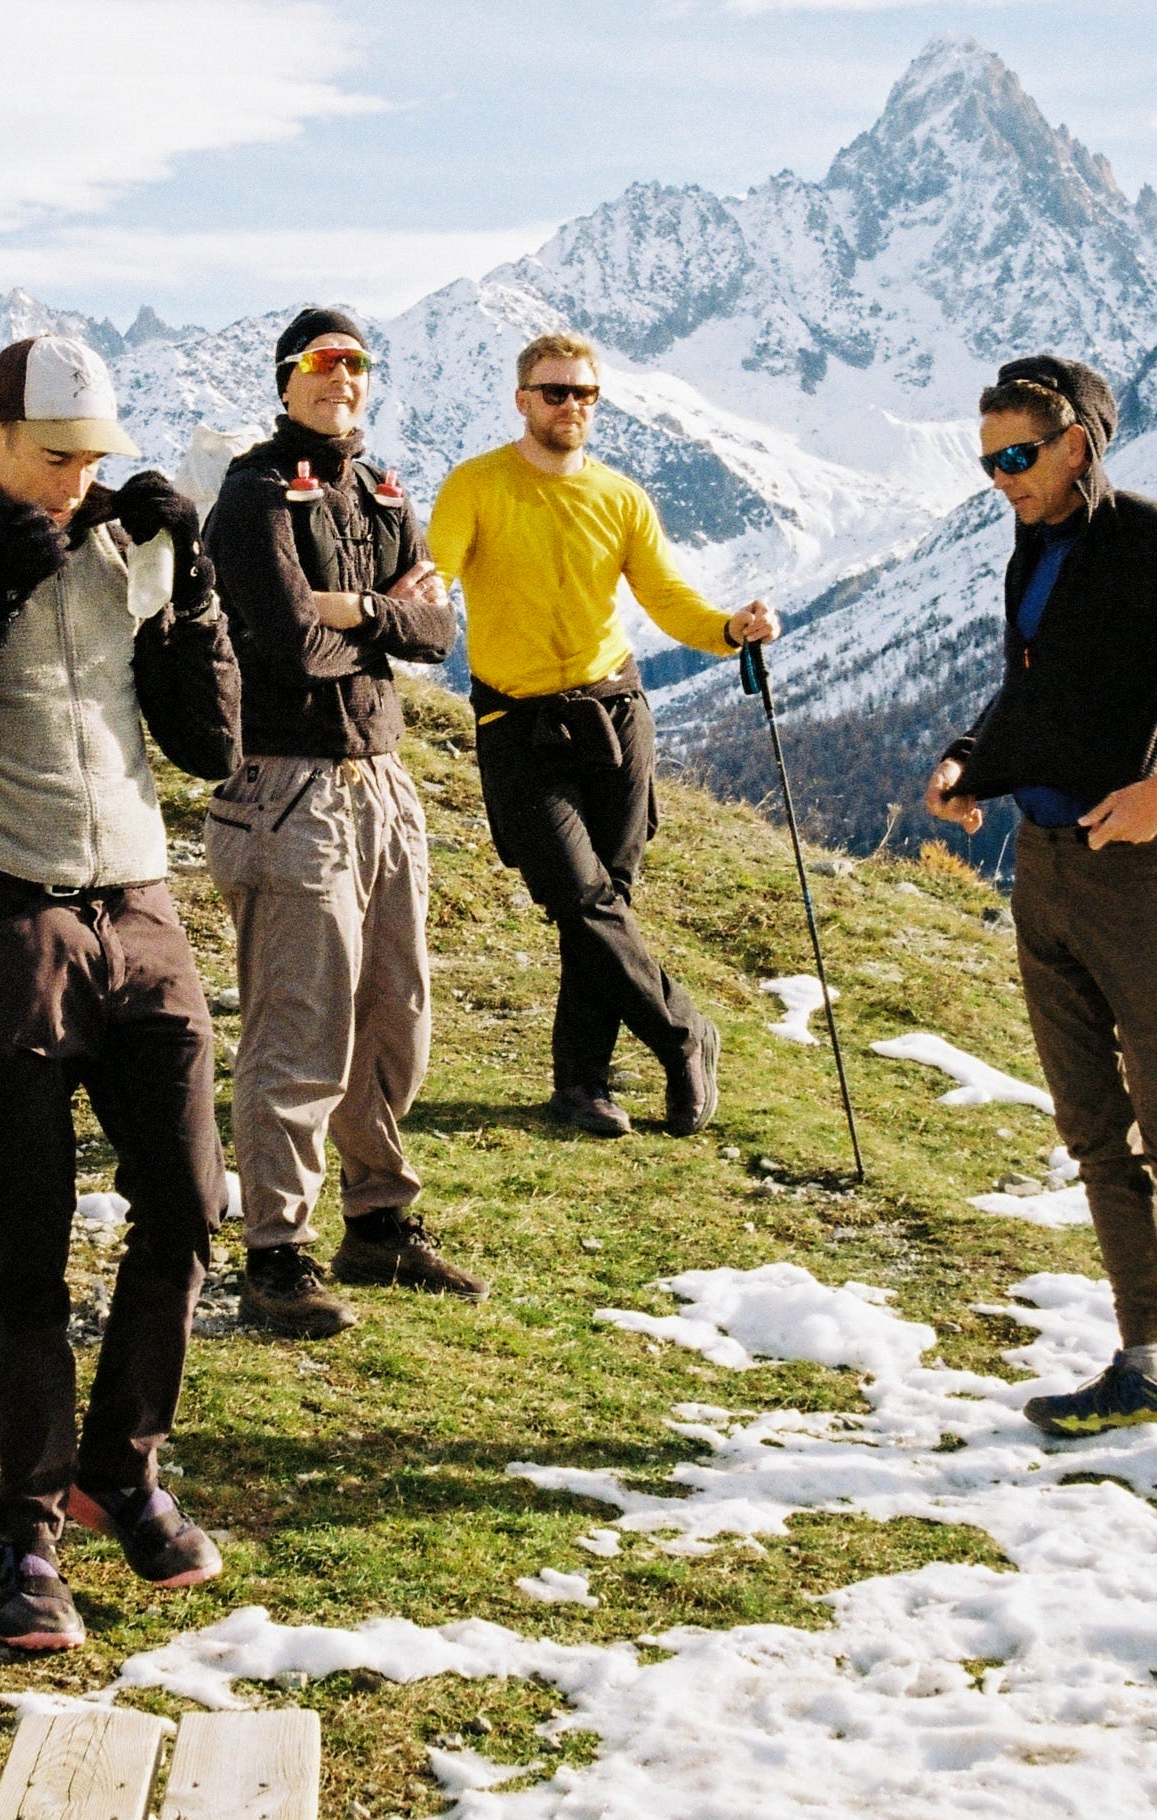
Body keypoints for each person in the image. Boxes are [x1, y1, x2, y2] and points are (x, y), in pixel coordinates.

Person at [0, 332, 241, 1652]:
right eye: (57, 455)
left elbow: (209, 743)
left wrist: (194, 592)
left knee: (187, 1203)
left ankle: (118, 1470)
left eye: (97, 457)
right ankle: (22, 1529)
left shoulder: (124, 545)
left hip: (139, 903)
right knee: (28, 1242)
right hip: (7, 911)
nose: (80, 478)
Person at [923, 354, 1157, 1483]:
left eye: (1017, 456)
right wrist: (970, 759)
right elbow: (1036, 689)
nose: (1001, 478)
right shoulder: (1032, 545)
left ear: (1077, 443)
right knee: (1093, 1130)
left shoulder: (1156, 539)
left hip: (1141, 877)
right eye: (986, 461)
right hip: (1043, 868)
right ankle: (1145, 1362)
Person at [427, 331, 780, 1139]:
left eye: (584, 393)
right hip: (515, 722)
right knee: (577, 897)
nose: (570, 406)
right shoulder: (475, 484)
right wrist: (418, 598)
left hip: (614, 715)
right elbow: (437, 570)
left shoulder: (620, 497)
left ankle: (581, 1086)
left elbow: (667, 598)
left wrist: (729, 629)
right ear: (522, 399)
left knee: (602, 906)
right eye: (555, 392)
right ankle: (681, 1033)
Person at [204, 306, 472, 1339]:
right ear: (285, 380)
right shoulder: (253, 495)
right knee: (299, 1021)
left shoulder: (380, 490)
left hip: (381, 778)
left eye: (356, 364)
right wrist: (379, 612)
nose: (340, 380)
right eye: (320, 364)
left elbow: (436, 634)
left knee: (394, 1012)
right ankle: (275, 1252)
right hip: (288, 786)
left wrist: (353, 607)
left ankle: (379, 1221)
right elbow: (284, 642)